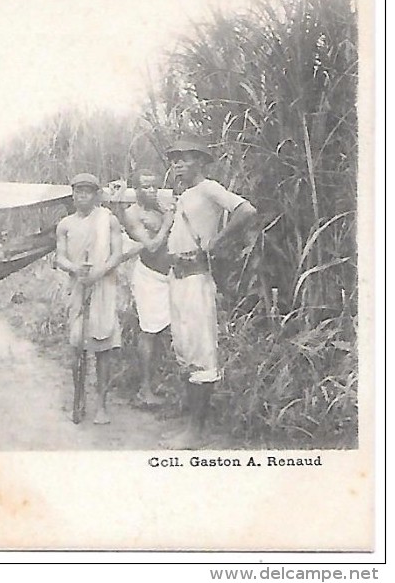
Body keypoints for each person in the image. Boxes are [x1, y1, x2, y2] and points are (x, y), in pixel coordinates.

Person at [163, 139, 257, 449]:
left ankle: (195, 432)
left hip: (195, 278)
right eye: (175, 159)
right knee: (186, 352)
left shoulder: (208, 188)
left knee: (202, 354)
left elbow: (246, 210)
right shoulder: (186, 194)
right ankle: (188, 427)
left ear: (200, 163)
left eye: (185, 159)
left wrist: (217, 241)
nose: (178, 164)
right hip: (177, 277)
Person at [54, 173, 123, 425]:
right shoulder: (65, 224)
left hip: (103, 287)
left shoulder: (109, 220)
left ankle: (102, 405)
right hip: (77, 288)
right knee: (77, 345)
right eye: (77, 191)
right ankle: (78, 397)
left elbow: (117, 254)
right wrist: (74, 268)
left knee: (103, 348)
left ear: (96, 195)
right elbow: (59, 257)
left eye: (86, 191)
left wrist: (98, 272)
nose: (81, 195)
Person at [121, 169, 174, 408]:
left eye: (153, 186)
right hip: (149, 277)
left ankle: (165, 383)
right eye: (144, 186)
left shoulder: (162, 206)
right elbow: (151, 246)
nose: (150, 190)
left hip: (171, 276)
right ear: (136, 189)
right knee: (149, 331)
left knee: (169, 331)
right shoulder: (132, 214)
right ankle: (144, 388)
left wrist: (167, 213)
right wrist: (168, 222)